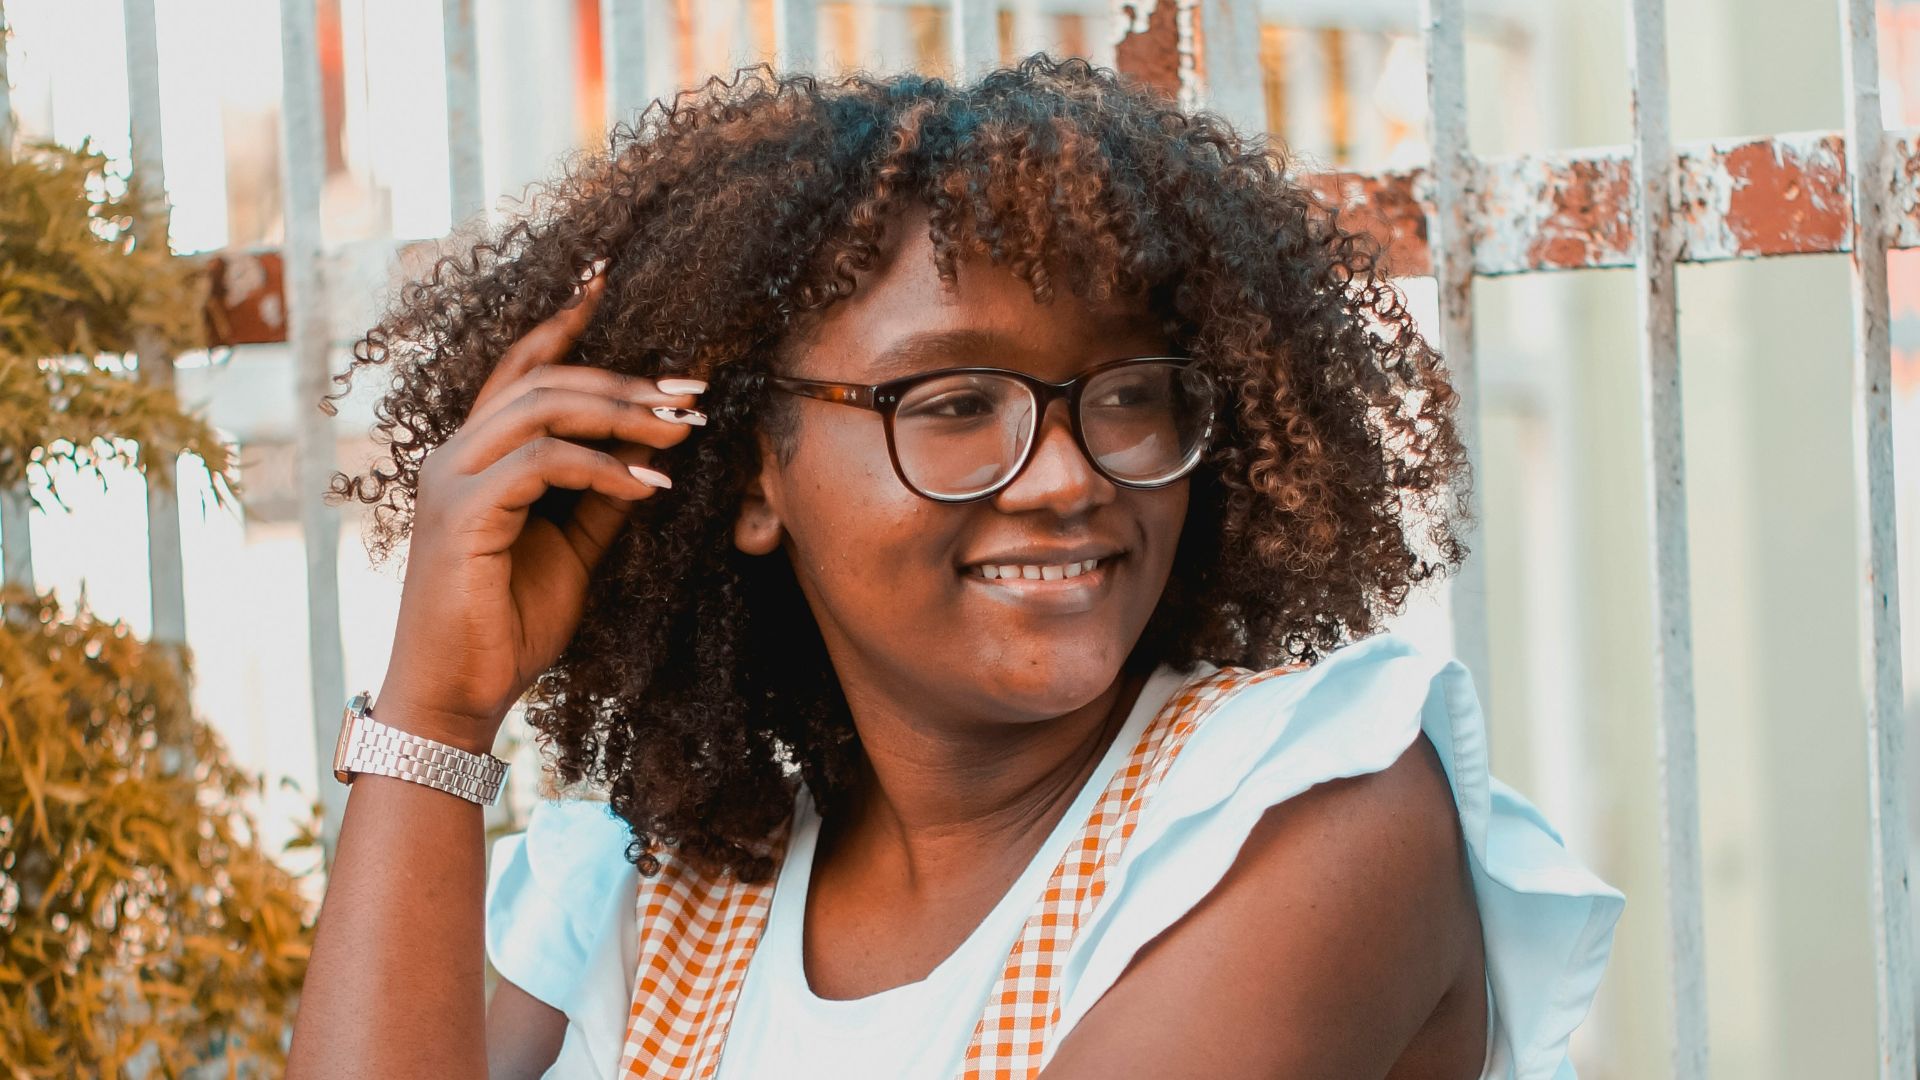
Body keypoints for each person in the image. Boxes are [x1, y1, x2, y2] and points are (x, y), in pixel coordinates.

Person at [285, 56, 1622, 1079]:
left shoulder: (1316, 808)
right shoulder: (647, 894)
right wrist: (439, 705)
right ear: (754, 471)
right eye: (952, 404)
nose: (1065, 476)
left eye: (1128, 393)